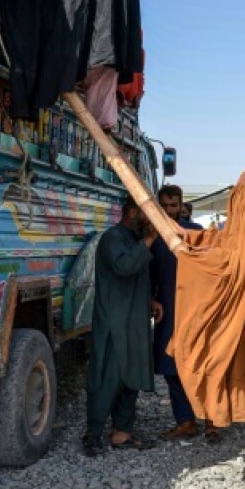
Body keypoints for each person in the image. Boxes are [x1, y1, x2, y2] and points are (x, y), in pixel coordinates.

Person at [84, 195, 159, 456]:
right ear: (130, 213)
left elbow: (138, 276)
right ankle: (92, 434)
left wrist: (151, 300)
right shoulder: (113, 238)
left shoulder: (132, 240)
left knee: (131, 377)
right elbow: (124, 266)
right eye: (145, 213)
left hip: (134, 321)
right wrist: (149, 241)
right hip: (114, 322)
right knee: (107, 377)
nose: (148, 220)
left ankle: (121, 433)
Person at [151, 185, 216, 441]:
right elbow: (150, 273)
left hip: (198, 310)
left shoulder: (197, 233)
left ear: (181, 205)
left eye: (173, 205)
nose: (169, 211)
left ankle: (213, 420)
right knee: (171, 368)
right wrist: (152, 299)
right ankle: (186, 421)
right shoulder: (153, 236)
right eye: (164, 206)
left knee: (205, 366)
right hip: (168, 311)